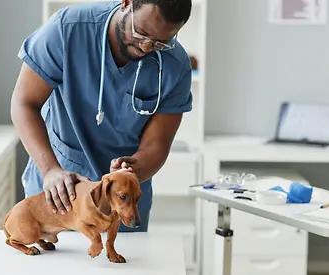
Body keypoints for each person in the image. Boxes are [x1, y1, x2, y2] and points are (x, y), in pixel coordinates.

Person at [10, 0, 193, 233]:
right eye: (141, 34)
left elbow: (157, 145)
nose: (146, 47)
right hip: (61, 193)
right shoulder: (67, 30)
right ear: (127, 3)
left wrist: (135, 169)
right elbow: (24, 103)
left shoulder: (174, 67)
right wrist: (49, 170)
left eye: (160, 43)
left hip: (123, 203)